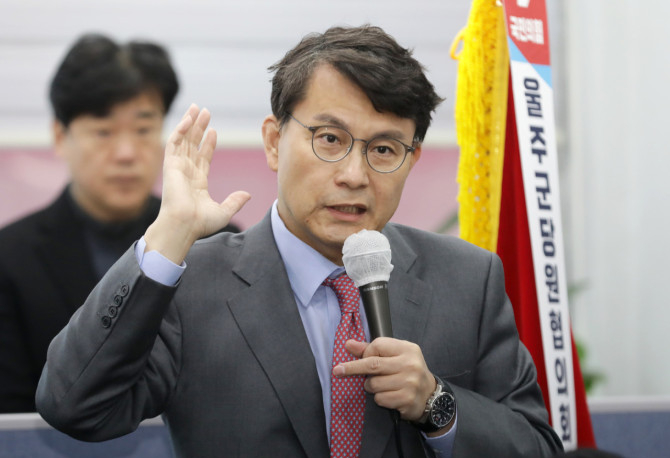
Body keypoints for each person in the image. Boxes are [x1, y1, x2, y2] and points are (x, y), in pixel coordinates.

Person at [35, 25, 562, 457]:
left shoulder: (467, 279)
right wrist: (169, 232)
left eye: (384, 149)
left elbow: (538, 447)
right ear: (273, 141)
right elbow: (75, 406)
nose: (354, 175)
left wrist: (436, 404)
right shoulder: (191, 286)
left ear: (412, 159)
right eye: (330, 139)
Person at [0, 33, 239, 413]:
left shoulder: (218, 242)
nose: (127, 153)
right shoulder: (10, 258)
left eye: (144, 129)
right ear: (60, 136)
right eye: (103, 131)